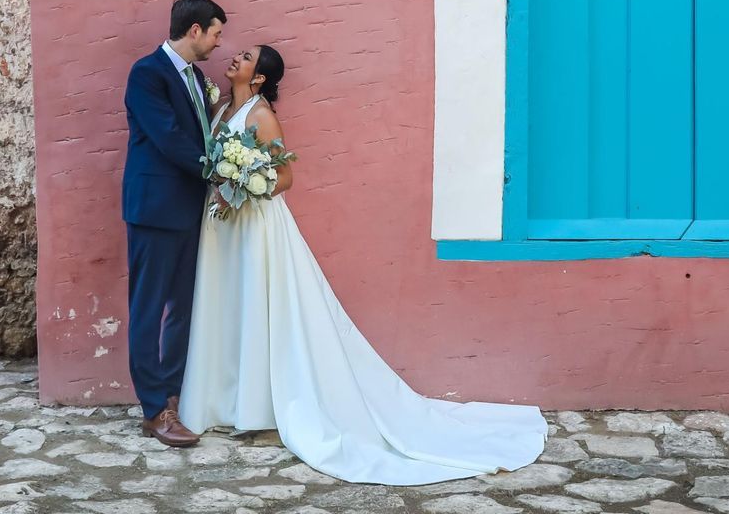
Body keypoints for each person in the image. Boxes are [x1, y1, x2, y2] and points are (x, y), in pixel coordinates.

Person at [177, 44, 548, 484]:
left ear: (258, 79)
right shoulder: (220, 108)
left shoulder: (261, 115)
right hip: (223, 225)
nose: (235, 58)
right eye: (238, 53)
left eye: (246, 58)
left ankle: (259, 406)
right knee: (229, 305)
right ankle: (224, 399)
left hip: (255, 225)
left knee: (261, 306)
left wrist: (244, 182)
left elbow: (286, 176)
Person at [121, 0, 225, 448]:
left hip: (190, 209)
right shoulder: (147, 73)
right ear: (195, 29)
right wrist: (216, 169)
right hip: (155, 209)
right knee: (149, 308)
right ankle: (153, 410)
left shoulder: (199, 78)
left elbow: (202, 132)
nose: (220, 43)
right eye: (217, 33)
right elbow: (166, 136)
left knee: (183, 307)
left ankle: (175, 393)